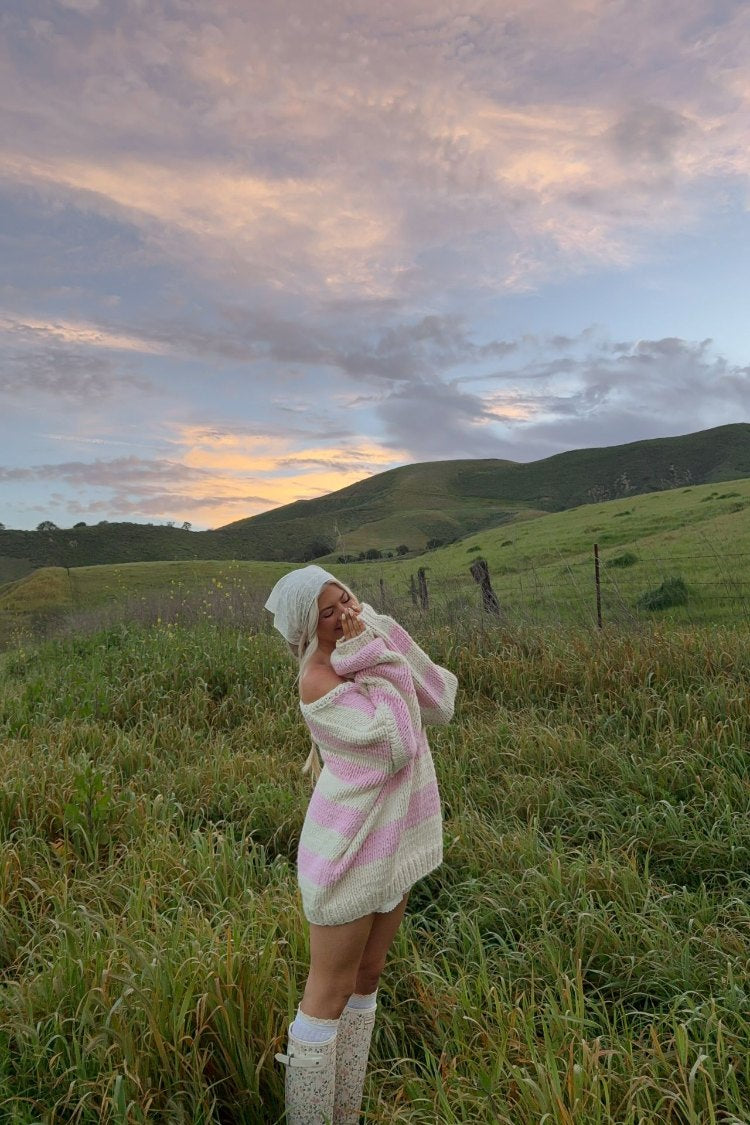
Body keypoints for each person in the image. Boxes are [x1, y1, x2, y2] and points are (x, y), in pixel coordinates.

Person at [264, 564, 458, 1124]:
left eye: (344, 596)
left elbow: (438, 700)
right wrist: (363, 651)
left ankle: (345, 1113)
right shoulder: (319, 678)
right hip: (347, 851)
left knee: (367, 978)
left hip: (390, 844)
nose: (345, 611)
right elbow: (397, 741)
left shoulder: (366, 644)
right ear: (309, 626)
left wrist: (382, 633)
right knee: (328, 993)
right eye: (328, 611)